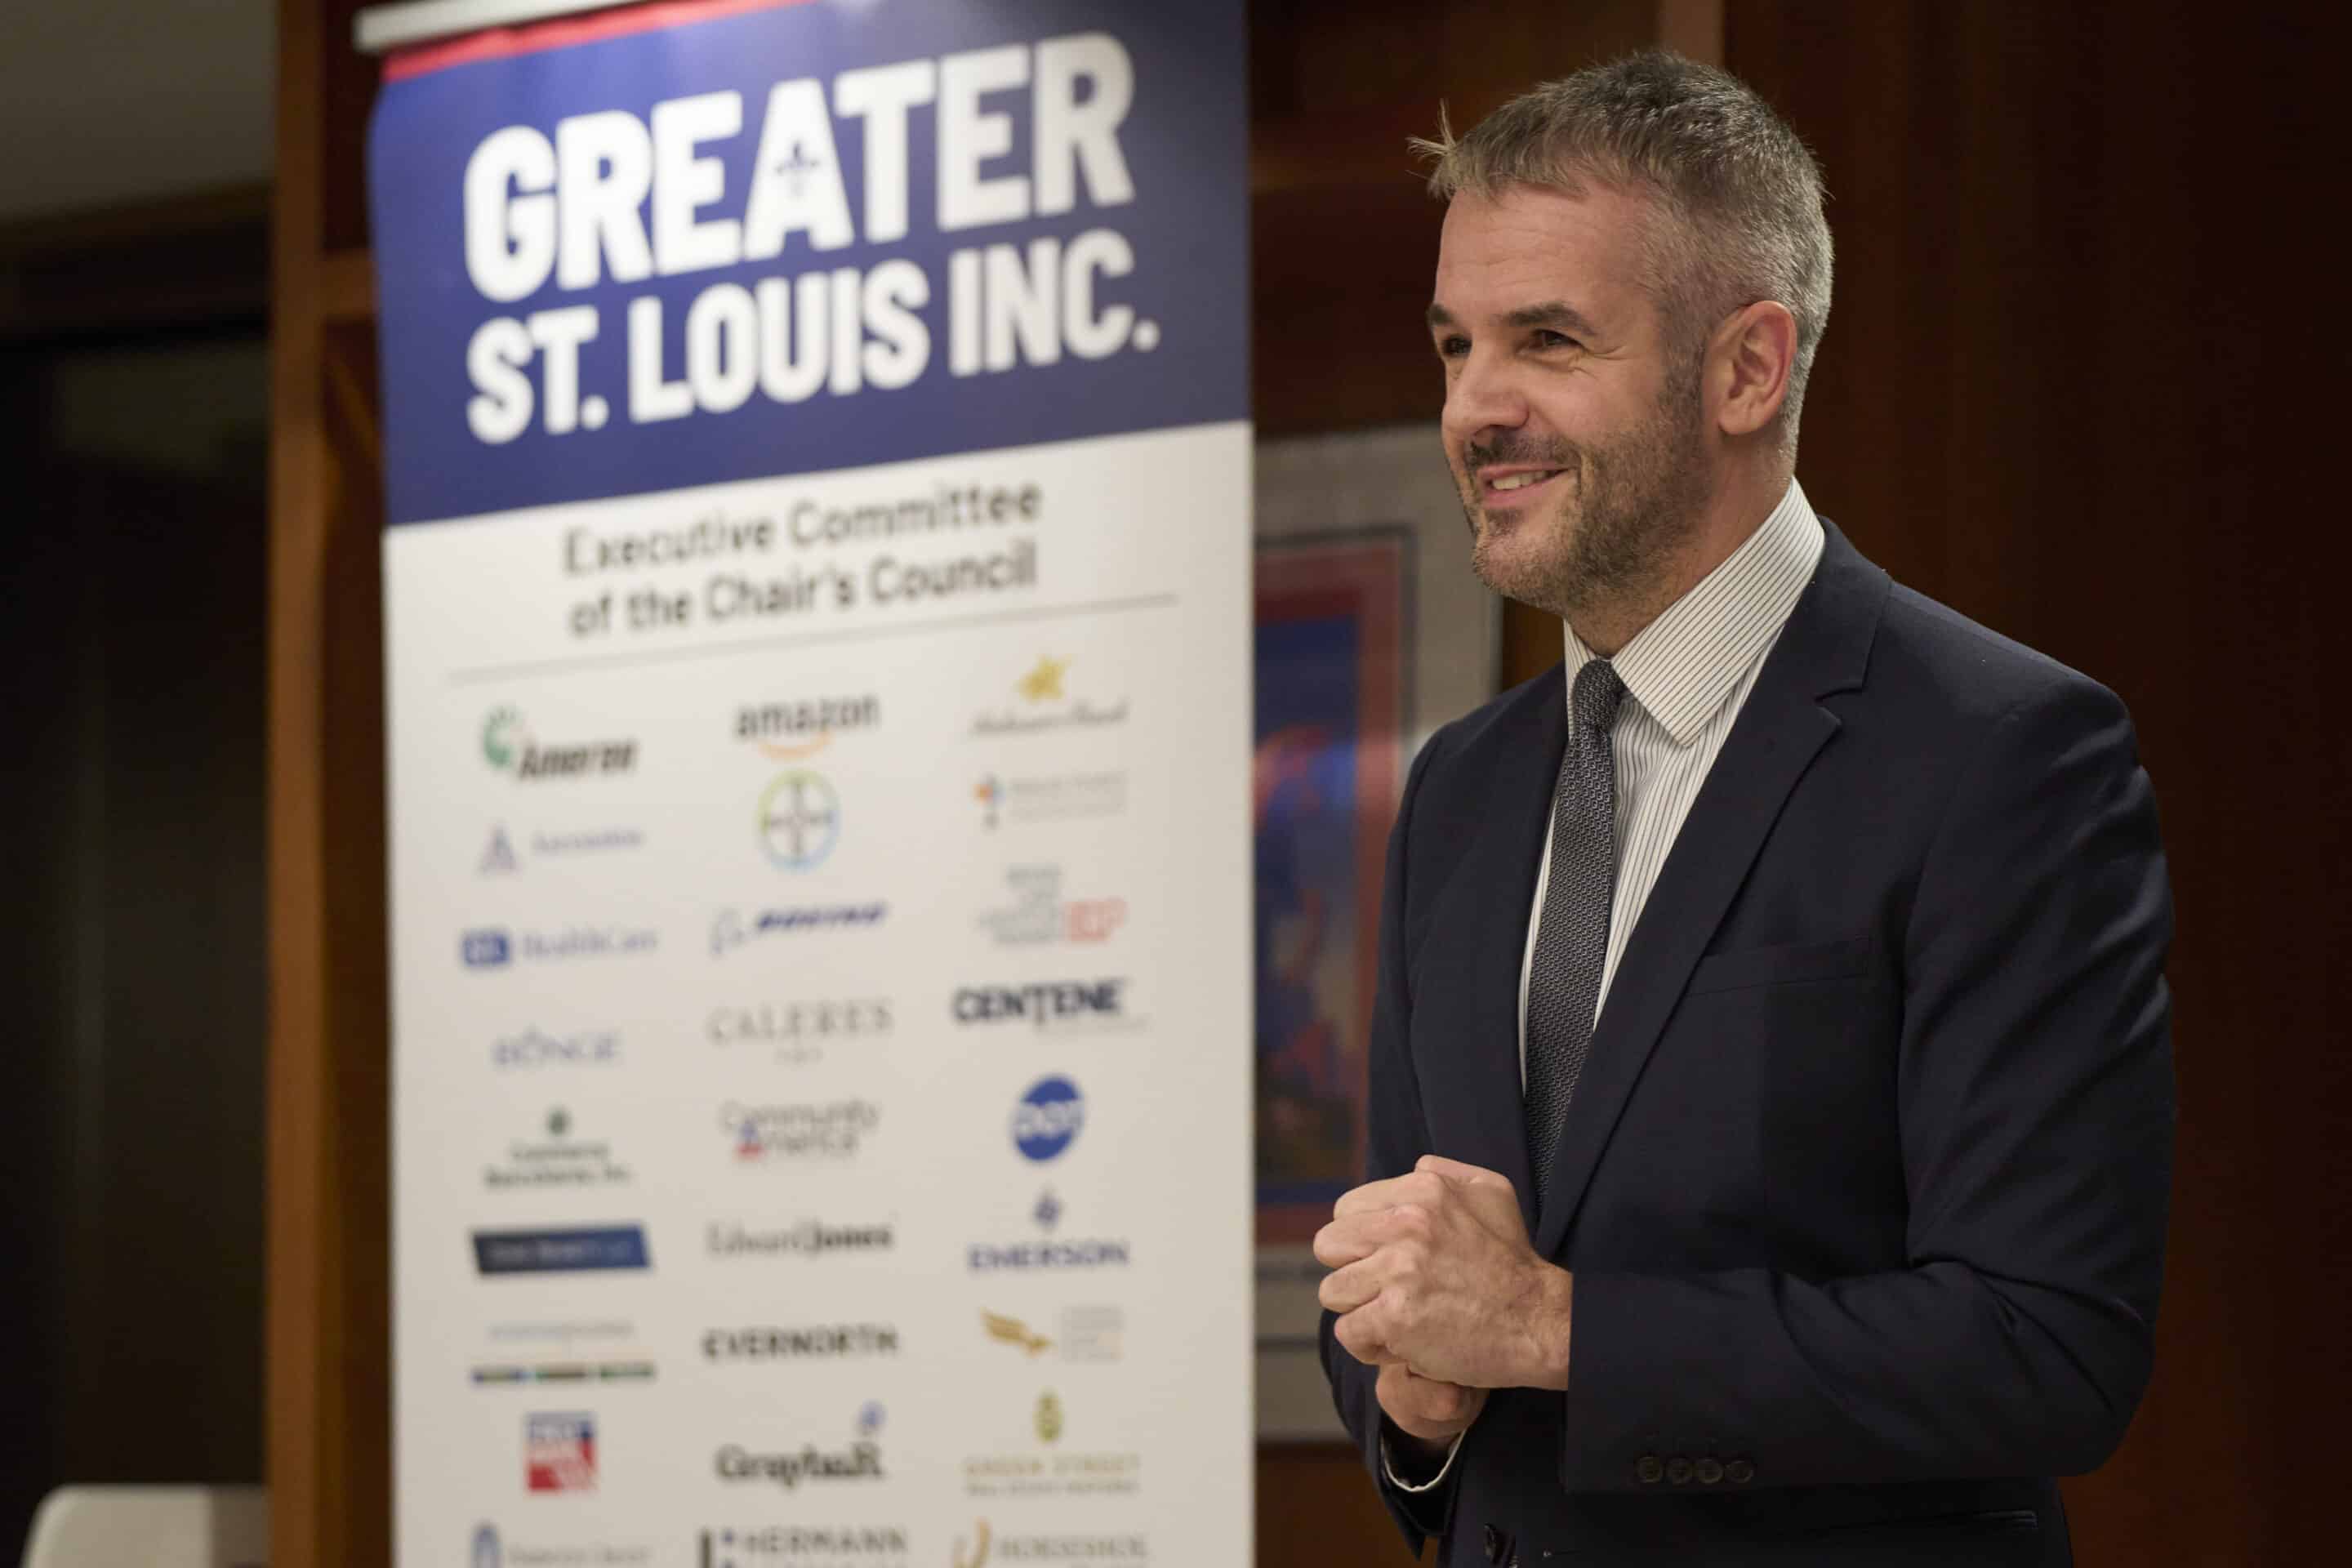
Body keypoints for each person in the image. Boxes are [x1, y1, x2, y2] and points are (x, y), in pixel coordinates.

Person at [1314, 52, 2174, 1567]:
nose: (1473, 408)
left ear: (1748, 369)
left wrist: (1557, 1328)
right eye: (1455, 345)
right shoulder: (1458, 787)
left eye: (1547, 341)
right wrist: (1416, 1400)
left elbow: (2046, 1348)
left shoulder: (2006, 755)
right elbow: (1413, 1278)